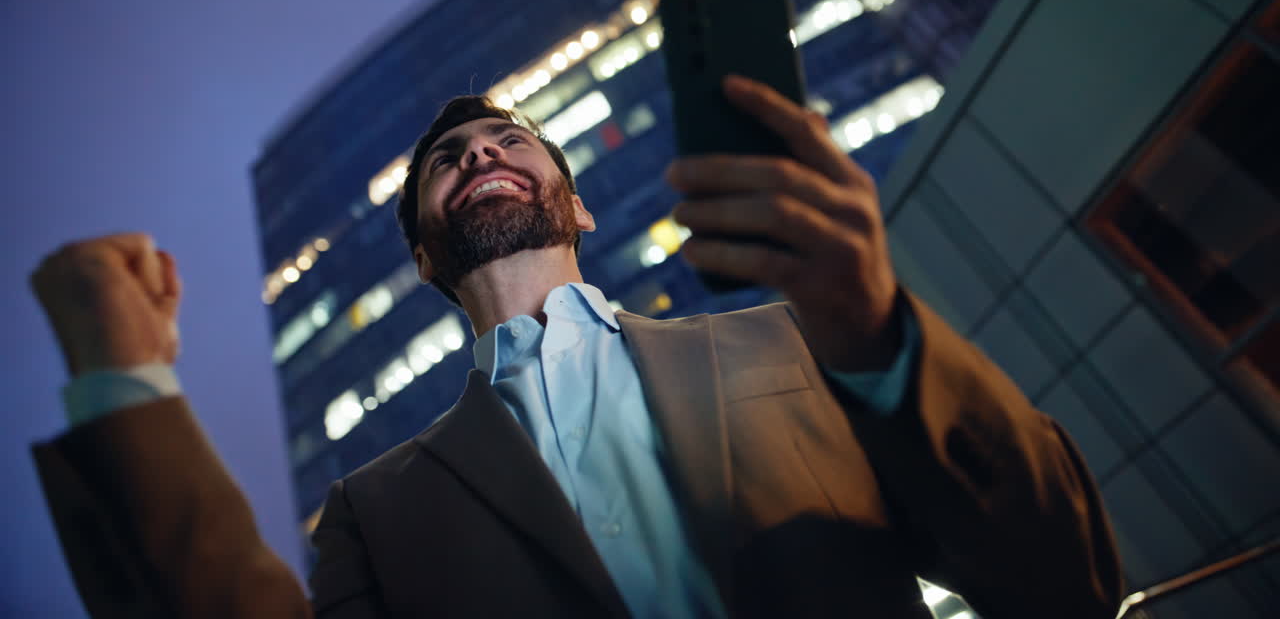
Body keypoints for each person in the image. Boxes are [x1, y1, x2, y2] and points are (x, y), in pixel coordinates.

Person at [31, 75, 1123, 618]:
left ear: (578, 207)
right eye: (448, 159)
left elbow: (1061, 579)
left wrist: (884, 337)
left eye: (510, 141)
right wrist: (123, 386)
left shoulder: (790, 341)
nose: (479, 154)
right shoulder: (377, 507)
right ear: (422, 255)